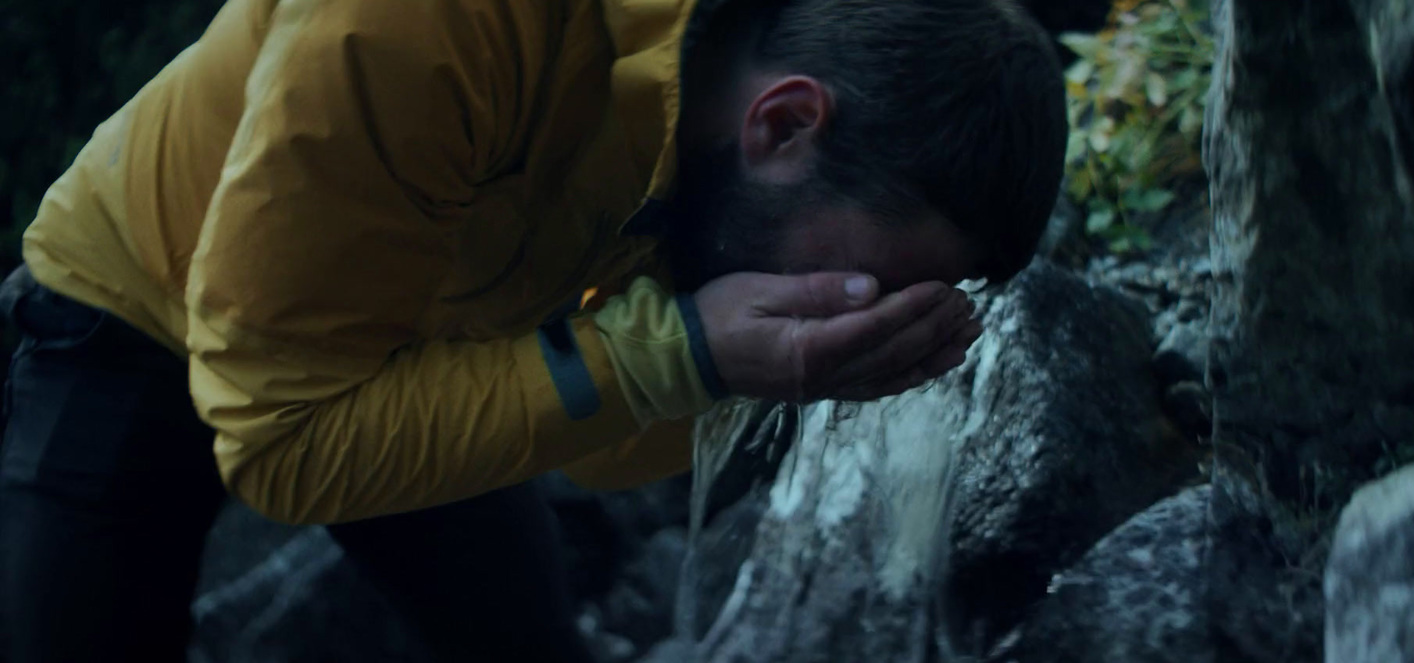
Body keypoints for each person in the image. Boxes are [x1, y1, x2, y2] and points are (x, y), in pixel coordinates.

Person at [0, 0, 1066, 659]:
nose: (856, 307)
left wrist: (742, 363)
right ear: (784, 123)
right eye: (861, 280)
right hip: (130, 313)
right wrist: (680, 351)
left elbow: (600, 448)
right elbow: (280, 442)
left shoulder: (697, 129)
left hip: (417, 338)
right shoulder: (435, 27)